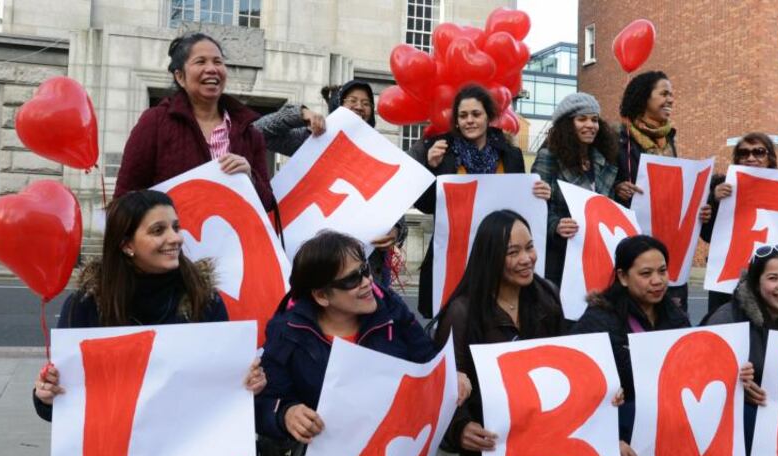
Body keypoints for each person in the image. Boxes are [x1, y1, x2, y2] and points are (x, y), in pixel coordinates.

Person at [32, 190, 266, 421]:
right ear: (126, 245)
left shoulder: (204, 300)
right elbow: (61, 405)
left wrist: (247, 385)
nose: (175, 238)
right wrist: (46, 395)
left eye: (175, 227)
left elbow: (224, 387)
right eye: (158, 230)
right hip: (115, 451)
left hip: (187, 449)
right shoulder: (85, 305)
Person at [433, 210, 564, 456]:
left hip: (540, 430)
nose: (526, 259)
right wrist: (461, 428)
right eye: (513, 252)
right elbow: (443, 387)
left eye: (529, 247)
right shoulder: (462, 313)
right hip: (492, 439)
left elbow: (565, 362)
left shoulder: (548, 296)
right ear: (490, 257)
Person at [255, 230, 439, 444]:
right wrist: (286, 414)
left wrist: (451, 378)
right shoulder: (287, 333)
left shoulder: (391, 309)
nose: (367, 281)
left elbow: (428, 360)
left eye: (365, 269)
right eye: (352, 279)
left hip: (395, 452)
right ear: (321, 296)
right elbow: (264, 402)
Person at [409, 84, 550, 318]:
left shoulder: (510, 155)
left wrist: (539, 193)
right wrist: (431, 168)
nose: (469, 121)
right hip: (454, 254)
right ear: (456, 121)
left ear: (489, 117)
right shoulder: (441, 152)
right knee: (454, 321)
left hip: (499, 256)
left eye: (476, 114)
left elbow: (519, 203)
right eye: (463, 116)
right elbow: (425, 206)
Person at [255, 80, 407, 287]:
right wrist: (301, 114)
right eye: (352, 100)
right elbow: (258, 132)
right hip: (316, 258)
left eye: (366, 103)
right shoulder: (315, 140)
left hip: (365, 269)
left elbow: (397, 207)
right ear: (338, 105)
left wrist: (395, 232)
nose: (359, 106)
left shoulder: (380, 152)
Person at [115, 32, 275, 212]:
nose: (212, 69)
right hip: (176, 238)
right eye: (201, 62)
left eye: (218, 61)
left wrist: (250, 178)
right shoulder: (155, 122)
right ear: (180, 77)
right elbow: (125, 198)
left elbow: (268, 204)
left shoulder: (249, 132)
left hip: (234, 238)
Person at [571, 235, 691, 456]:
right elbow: (578, 389)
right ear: (623, 277)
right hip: (620, 429)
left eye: (663, 271)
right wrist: (606, 440)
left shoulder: (677, 318)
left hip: (667, 431)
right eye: (646, 274)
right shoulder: (598, 320)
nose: (657, 281)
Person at [703, 244, 778, 456]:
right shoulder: (726, 319)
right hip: (740, 414)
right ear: (755, 283)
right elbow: (702, 376)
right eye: (773, 278)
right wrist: (736, 384)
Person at [699, 132, 778, 321]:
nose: (751, 158)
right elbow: (708, 235)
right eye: (744, 153)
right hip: (730, 285)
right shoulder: (723, 188)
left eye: (758, 152)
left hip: (774, 285)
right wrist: (713, 201)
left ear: (770, 157)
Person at [612, 70, 690, 311]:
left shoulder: (669, 141)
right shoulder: (618, 139)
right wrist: (617, 189)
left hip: (667, 242)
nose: (671, 100)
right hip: (631, 241)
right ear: (645, 97)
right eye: (664, 93)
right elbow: (600, 185)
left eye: (672, 95)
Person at [531, 92, 619, 285]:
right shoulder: (548, 157)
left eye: (594, 120)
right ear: (567, 125)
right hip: (561, 257)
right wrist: (556, 225)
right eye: (582, 119)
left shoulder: (604, 160)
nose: (590, 125)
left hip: (596, 254)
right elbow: (535, 208)